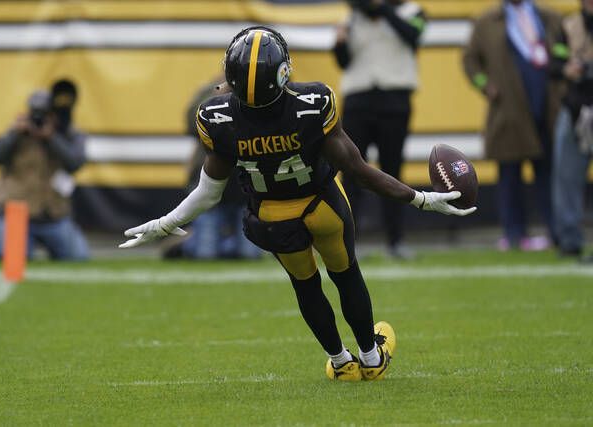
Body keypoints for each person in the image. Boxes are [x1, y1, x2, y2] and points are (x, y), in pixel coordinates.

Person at [120, 27, 475, 381]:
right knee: (346, 275)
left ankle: (340, 362)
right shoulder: (313, 103)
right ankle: (369, 356)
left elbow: (209, 191)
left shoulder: (217, 117)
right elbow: (360, 171)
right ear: (283, 71)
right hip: (322, 207)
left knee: (305, 285)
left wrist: (166, 222)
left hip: (274, 217)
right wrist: (422, 199)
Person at [463, 0, 564, 251]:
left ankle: (557, 231)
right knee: (510, 175)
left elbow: (563, 50)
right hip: (508, 111)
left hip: (547, 108)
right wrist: (485, 85)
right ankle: (514, 233)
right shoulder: (487, 22)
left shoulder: (550, 17)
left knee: (549, 174)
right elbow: (470, 61)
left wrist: (563, 76)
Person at [334, 0, 426, 259]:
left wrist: (383, 9)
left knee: (393, 170)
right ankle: (348, 241)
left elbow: (413, 35)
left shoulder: (413, 11)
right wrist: (339, 43)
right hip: (358, 100)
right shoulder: (351, 17)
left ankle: (395, 241)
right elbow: (343, 62)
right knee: (350, 172)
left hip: (394, 101)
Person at [0, 80, 89, 260]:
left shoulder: (66, 133)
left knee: (78, 256)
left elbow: (75, 163)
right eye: (35, 113)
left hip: (53, 216)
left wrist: (52, 137)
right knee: (10, 256)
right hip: (18, 214)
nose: (38, 119)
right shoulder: (18, 133)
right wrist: (13, 133)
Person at [164, 79, 261, 259]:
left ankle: (190, 242)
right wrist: (217, 103)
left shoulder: (263, 92)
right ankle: (190, 244)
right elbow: (191, 123)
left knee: (249, 254)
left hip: (245, 185)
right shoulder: (211, 89)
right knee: (206, 253)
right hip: (211, 180)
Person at [551, 0, 593, 262]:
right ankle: (569, 240)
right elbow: (554, 62)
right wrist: (568, 68)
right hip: (576, 109)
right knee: (566, 177)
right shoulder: (568, 24)